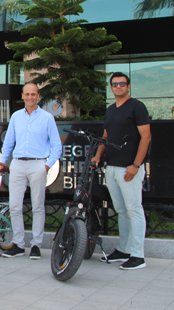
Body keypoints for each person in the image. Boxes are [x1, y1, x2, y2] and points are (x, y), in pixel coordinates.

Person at [91, 72, 151, 270]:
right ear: (111, 87)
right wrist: (99, 155)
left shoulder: (137, 107)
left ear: (128, 86)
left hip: (129, 168)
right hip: (112, 167)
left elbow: (146, 137)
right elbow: (106, 136)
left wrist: (135, 165)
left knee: (134, 210)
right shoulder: (110, 110)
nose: (118, 87)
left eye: (122, 84)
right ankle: (123, 249)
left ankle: (138, 255)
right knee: (121, 210)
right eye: (114, 84)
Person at [0, 82, 62, 259]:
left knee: (37, 206)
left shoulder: (47, 118)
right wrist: (3, 162)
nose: (30, 97)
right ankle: (18, 244)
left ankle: (36, 245)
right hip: (17, 165)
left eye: (33, 94)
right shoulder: (16, 117)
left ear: (38, 96)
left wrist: (47, 166)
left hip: (38, 165)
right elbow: (8, 142)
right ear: (22, 95)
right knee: (15, 206)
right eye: (27, 94)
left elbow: (57, 146)